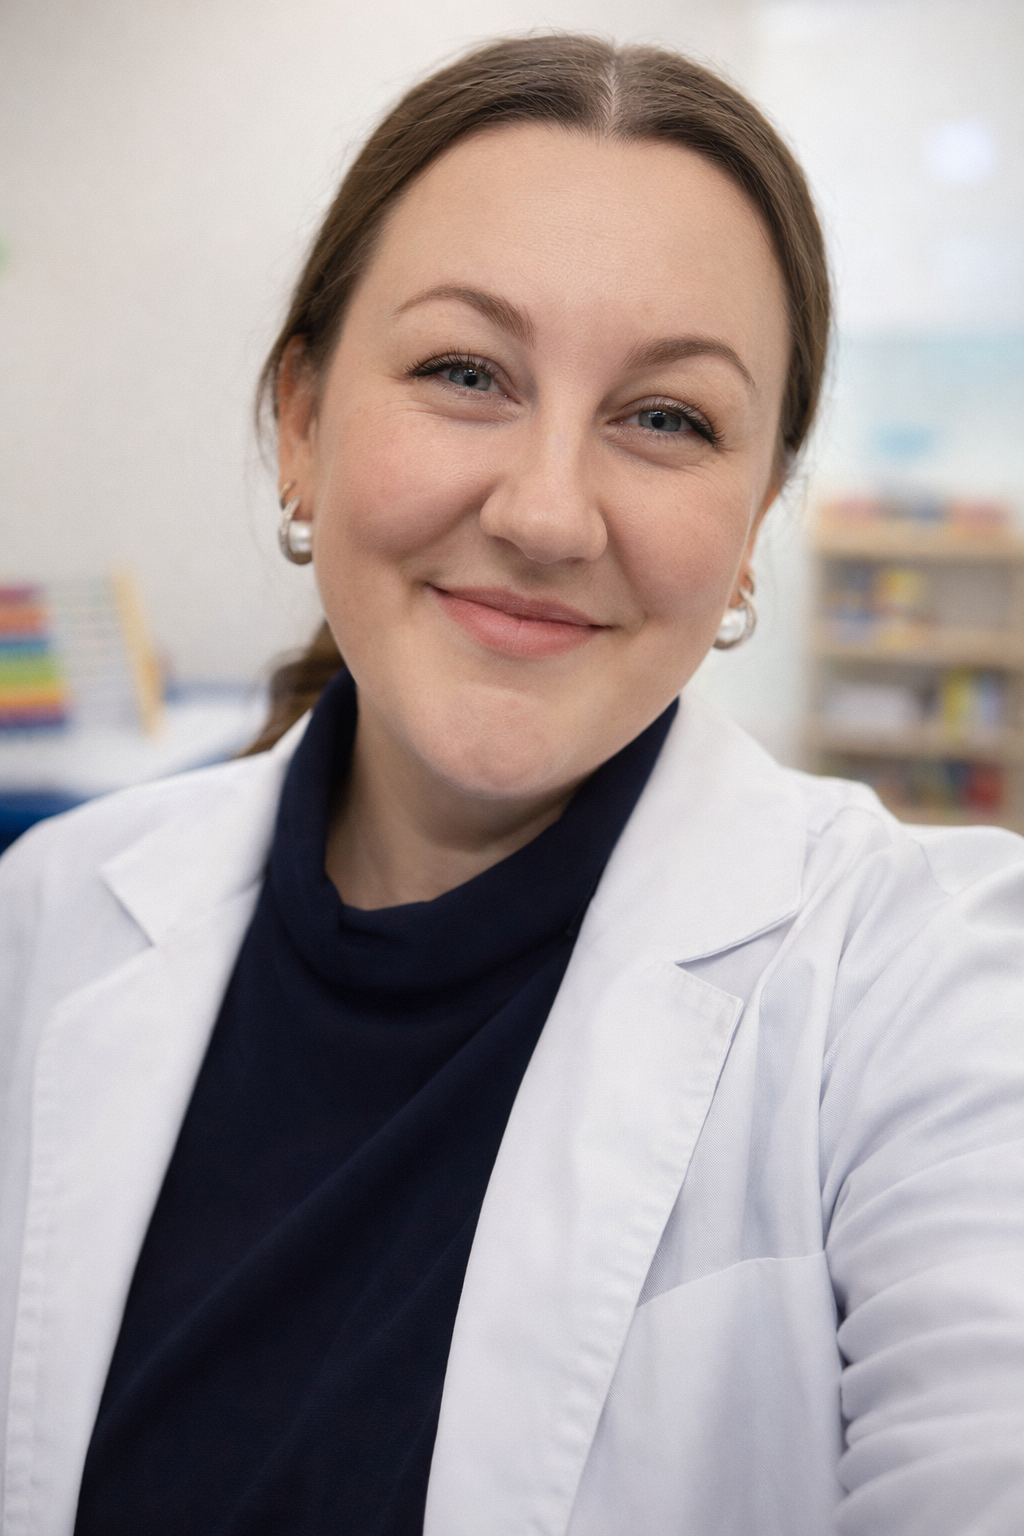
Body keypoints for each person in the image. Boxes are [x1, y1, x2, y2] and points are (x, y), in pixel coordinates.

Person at [0, 33, 1021, 1536]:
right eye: (465, 373)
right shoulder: (46, 924)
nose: (548, 514)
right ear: (300, 421)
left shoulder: (932, 990)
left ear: (752, 527)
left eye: (667, 418)